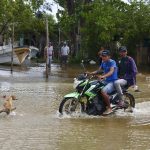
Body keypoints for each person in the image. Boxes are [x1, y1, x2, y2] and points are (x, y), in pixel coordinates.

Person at [89, 50, 118, 115]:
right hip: (105, 81)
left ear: (109, 56)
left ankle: (109, 108)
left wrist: (103, 76)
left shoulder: (112, 62)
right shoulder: (103, 62)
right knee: (93, 86)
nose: (103, 57)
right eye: (102, 56)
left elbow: (111, 72)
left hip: (112, 81)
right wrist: (90, 73)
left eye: (105, 56)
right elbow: (99, 71)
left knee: (103, 91)